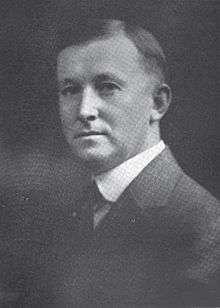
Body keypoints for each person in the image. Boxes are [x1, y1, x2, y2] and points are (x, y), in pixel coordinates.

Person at [1, 18, 219, 307]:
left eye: (107, 87)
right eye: (70, 89)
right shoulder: (69, 214)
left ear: (157, 103)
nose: (84, 110)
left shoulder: (204, 230)